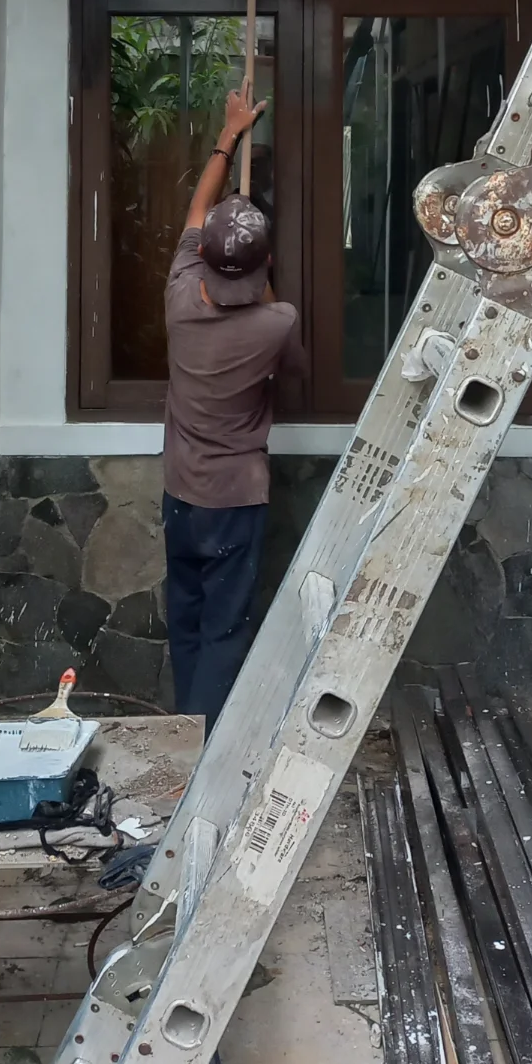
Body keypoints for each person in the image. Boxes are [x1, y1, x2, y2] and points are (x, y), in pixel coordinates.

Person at [162, 80, 306, 736]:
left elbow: (198, 213)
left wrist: (229, 133)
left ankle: (183, 732)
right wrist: (259, 271)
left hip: (181, 492)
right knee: (224, 629)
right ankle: (205, 748)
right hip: (235, 499)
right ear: (265, 264)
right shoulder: (276, 323)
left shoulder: (180, 295)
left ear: (203, 259)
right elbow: (295, 372)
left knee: (187, 619)